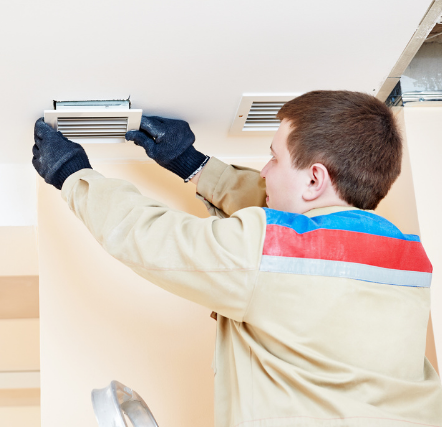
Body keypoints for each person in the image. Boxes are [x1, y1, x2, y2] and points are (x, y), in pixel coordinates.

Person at [32, 90, 442, 427]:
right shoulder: (408, 258)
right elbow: (301, 226)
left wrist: (72, 174)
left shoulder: (271, 254)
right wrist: (194, 167)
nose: (264, 171)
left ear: (315, 178)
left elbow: (149, 236)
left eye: (275, 157)